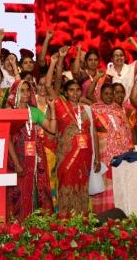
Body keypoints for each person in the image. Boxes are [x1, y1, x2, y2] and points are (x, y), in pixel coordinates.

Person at [45, 53, 96, 215]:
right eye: (71, 90)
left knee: (82, 188)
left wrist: (96, 158)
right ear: (66, 93)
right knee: (66, 186)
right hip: (66, 156)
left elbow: (91, 133)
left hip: (85, 157)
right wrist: (55, 61)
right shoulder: (60, 106)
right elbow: (48, 85)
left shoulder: (85, 110)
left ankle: (82, 219)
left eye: (77, 90)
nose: (75, 93)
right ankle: (64, 222)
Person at [6, 80, 56, 220]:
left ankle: (35, 227)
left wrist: (52, 109)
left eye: (28, 90)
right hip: (17, 159)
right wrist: (16, 162)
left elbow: (52, 129)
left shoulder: (34, 111)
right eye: (22, 90)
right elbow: (8, 139)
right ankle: (18, 226)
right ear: (15, 92)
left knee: (36, 191)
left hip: (35, 161)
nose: (26, 93)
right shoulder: (10, 112)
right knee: (17, 193)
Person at [90, 83, 132, 214]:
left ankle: (121, 209)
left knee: (119, 180)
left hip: (121, 150)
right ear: (100, 95)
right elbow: (92, 130)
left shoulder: (119, 110)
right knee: (106, 180)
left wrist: (130, 146)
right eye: (106, 94)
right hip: (104, 150)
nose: (109, 96)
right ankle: (104, 212)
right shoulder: (94, 109)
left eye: (111, 94)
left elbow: (126, 129)